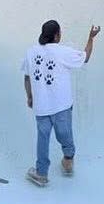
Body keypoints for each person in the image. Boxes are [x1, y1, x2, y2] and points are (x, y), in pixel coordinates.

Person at [22, 20, 100, 187]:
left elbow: (27, 77)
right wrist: (91, 38)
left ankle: (41, 173)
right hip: (61, 105)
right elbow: (85, 58)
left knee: (42, 140)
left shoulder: (31, 52)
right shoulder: (63, 52)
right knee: (64, 134)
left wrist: (29, 96)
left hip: (41, 106)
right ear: (57, 35)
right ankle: (68, 160)